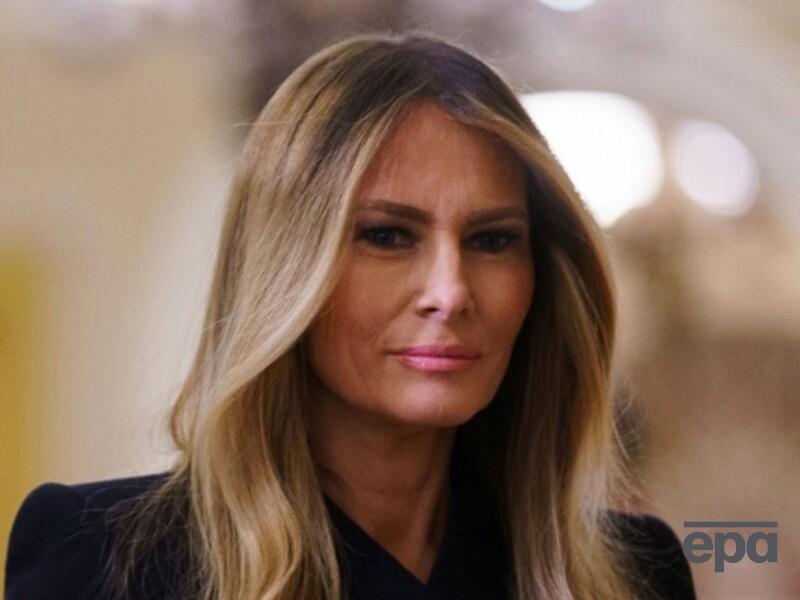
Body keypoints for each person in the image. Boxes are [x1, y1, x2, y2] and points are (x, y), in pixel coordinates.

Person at [4, 32, 696, 600]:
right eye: (388, 236)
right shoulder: (100, 560)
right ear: (287, 269)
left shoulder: (636, 573)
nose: (450, 292)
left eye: (491, 241)